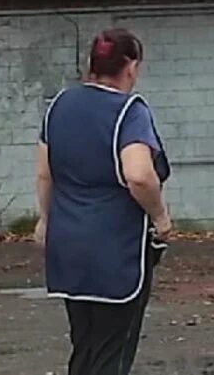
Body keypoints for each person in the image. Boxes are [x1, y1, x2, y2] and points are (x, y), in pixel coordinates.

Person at [36, 28, 172, 375]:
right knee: (113, 351)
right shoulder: (130, 110)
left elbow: (45, 173)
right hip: (115, 249)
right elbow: (139, 174)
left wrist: (44, 219)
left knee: (84, 346)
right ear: (129, 67)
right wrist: (160, 216)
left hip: (68, 246)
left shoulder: (59, 105)